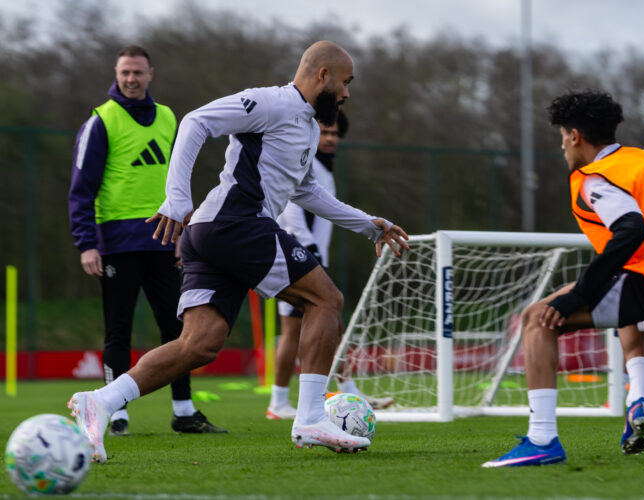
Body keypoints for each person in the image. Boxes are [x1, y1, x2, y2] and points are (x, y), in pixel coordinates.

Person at [67, 41, 409, 464]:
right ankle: (310, 418)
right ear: (323, 75)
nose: (346, 93)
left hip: (213, 233)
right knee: (326, 300)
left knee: (199, 345)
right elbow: (195, 122)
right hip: (235, 223)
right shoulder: (270, 102)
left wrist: (366, 223)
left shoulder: (306, 127)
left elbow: (305, 190)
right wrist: (177, 197)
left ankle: (100, 401)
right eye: (345, 82)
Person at [482, 90, 644, 467]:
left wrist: (579, 293)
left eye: (562, 136)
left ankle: (541, 440)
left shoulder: (595, 177)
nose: (562, 146)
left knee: (537, 319)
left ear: (575, 136)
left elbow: (631, 228)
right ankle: (638, 397)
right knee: (624, 301)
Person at [67, 45, 225, 438]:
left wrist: (184, 232)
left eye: (138, 72)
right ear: (116, 73)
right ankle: (115, 412)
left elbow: (179, 179)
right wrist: (87, 243)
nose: (131, 79)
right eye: (125, 72)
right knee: (118, 329)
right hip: (116, 243)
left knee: (179, 328)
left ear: (150, 73)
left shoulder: (170, 118)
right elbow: (81, 190)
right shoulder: (101, 121)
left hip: (164, 239)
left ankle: (184, 412)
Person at [267, 110, 393, 420]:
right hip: (298, 254)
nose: (330, 139)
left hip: (308, 254)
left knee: (331, 326)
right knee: (301, 329)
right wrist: (308, 248)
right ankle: (280, 402)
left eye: (335, 134)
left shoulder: (323, 168)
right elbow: (292, 207)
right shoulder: (306, 160)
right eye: (325, 133)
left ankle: (347, 392)